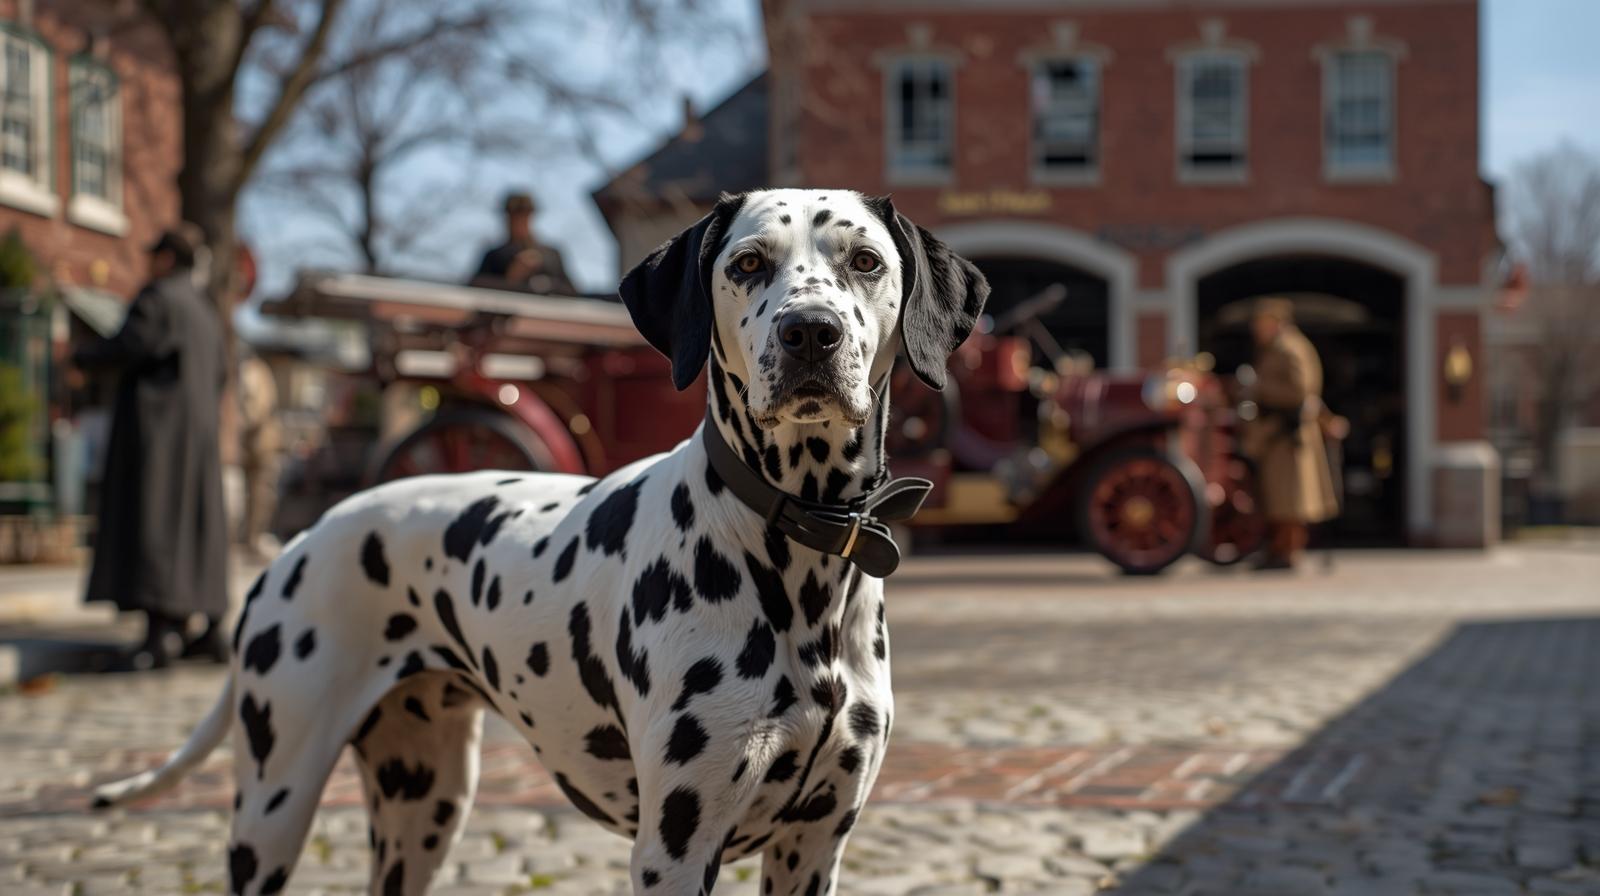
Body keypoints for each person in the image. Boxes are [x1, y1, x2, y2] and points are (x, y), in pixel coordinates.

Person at [74, 224, 230, 670]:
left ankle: (159, 633)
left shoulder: (158, 299)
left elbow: (132, 344)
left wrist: (82, 358)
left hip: (159, 435)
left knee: (156, 522)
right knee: (197, 527)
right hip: (198, 436)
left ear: (165, 259)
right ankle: (210, 626)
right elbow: (220, 371)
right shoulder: (204, 310)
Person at [1241, 298, 1339, 571]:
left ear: (1275, 323)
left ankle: (1289, 550)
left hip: (1289, 434)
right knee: (1278, 497)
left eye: (1260, 323)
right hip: (1276, 434)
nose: (1256, 329)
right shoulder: (1276, 348)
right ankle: (1278, 549)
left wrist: (1260, 387)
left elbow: (1299, 391)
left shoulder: (1291, 348)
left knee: (1291, 498)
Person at [470, 191, 576, 294]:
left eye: (524, 216)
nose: (519, 222)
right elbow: (474, 289)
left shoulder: (551, 255)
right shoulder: (494, 256)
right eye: (514, 217)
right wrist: (512, 277)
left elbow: (571, 291)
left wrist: (547, 284)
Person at [236, 349, 283, 561]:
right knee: (247, 495)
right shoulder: (246, 371)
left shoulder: (255, 372)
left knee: (260, 495)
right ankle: (248, 540)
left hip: (261, 443)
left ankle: (253, 539)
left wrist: (241, 424)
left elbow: (259, 408)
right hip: (248, 445)